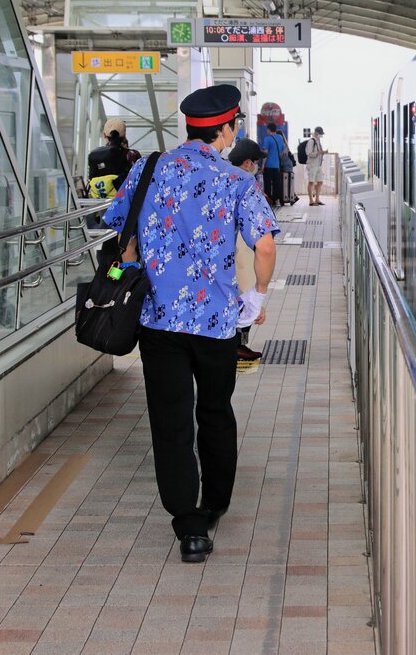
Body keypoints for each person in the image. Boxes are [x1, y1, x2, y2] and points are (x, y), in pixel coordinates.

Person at [102, 84, 279, 563]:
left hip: (158, 322)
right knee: (215, 411)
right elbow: (264, 245)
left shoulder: (148, 168)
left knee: (171, 420)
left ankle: (190, 526)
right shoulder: (238, 182)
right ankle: (215, 503)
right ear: (225, 129)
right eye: (235, 124)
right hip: (216, 326)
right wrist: (254, 298)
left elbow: (121, 231)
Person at [227, 138, 267, 361]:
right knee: (243, 301)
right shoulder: (245, 184)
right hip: (238, 255)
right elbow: (262, 244)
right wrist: (258, 293)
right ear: (247, 163)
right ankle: (236, 346)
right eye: (255, 163)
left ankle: (236, 345)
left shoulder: (221, 177)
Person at [87, 118, 140, 198]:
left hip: (100, 203)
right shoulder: (132, 154)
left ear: (104, 135)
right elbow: (139, 180)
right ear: (124, 134)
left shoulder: (95, 155)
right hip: (125, 202)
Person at [261, 122, 285, 206]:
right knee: (276, 184)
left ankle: (269, 201)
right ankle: (277, 200)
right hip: (276, 165)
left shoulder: (267, 139)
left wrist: (263, 165)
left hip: (268, 165)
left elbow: (265, 153)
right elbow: (283, 152)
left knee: (267, 184)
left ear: (268, 129)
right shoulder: (280, 138)